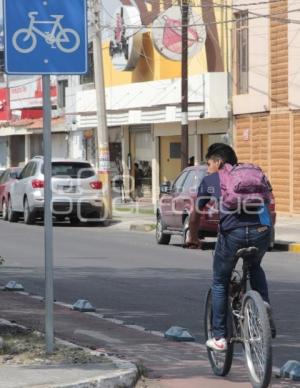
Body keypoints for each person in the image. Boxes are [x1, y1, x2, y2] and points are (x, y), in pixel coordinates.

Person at [187, 143, 275, 351]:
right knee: (254, 266)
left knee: (220, 281)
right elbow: (269, 203)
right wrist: (265, 231)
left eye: (209, 163)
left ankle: (219, 337)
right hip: (261, 230)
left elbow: (196, 213)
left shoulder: (212, 180)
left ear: (218, 162)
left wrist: (193, 237)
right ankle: (263, 306)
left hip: (232, 235)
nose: (207, 169)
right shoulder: (255, 174)